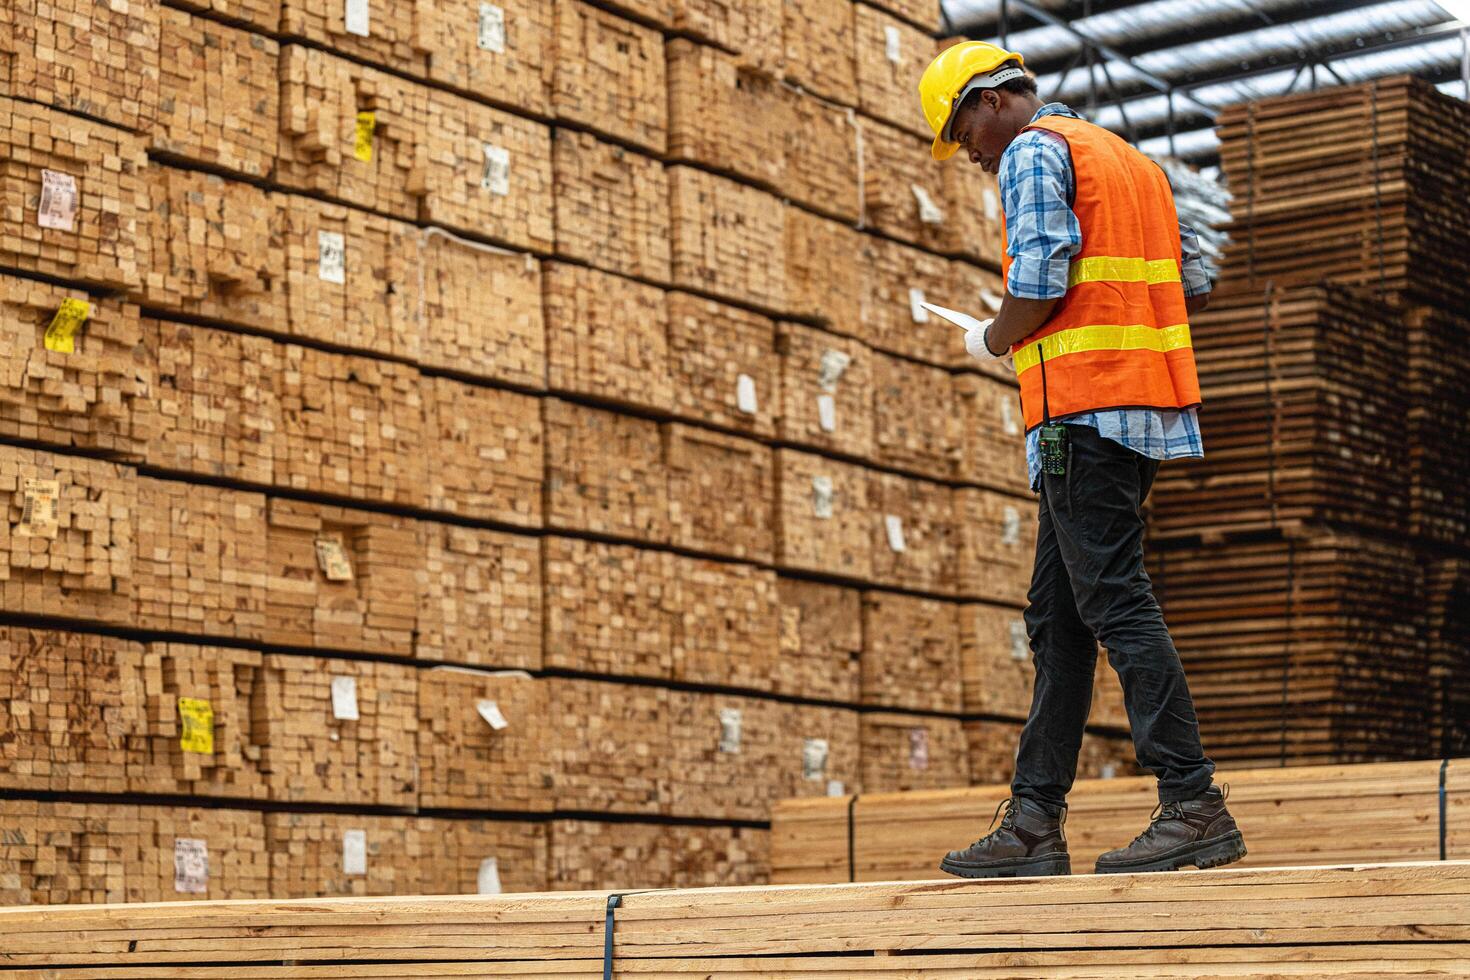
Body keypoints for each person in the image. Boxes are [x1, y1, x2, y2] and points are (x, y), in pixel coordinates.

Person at [917, 42, 1247, 877]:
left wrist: (993, 336)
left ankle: (1194, 802)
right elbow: (1195, 279)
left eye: (963, 135)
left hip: (1085, 410)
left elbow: (1041, 276)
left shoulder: (1034, 152)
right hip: (1141, 409)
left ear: (990, 101)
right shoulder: (1129, 161)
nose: (972, 156)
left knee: (1116, 603)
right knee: (1057, 618)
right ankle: (1033, 821)